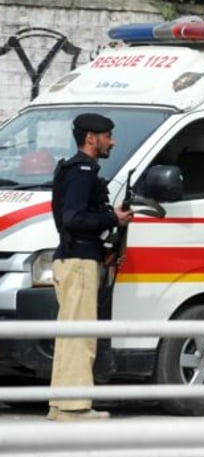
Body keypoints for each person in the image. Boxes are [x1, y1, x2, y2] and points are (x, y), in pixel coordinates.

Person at [48, 113, 133, 421]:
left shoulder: (76, 169)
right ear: (91, 138)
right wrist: (114, 219)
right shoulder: (82, 170)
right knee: (80, 336)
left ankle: (60, 405)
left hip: (76, 258)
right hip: (79, 261)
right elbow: (73, 218)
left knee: (70, 334)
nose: (112, 141)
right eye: (108, 136)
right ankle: (74, 407)